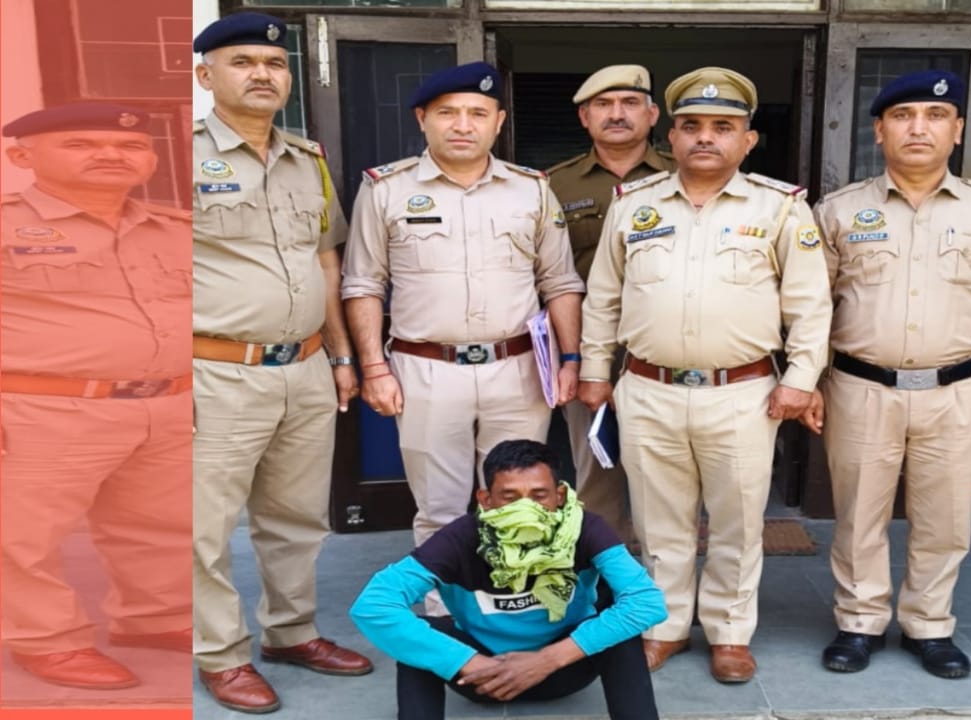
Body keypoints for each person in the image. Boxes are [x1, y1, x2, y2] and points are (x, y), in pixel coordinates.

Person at [578, 67, 832, 683]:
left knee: (738, 523)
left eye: (723, 126)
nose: (706, 137)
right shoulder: (634, 205)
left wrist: (800, 379)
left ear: (748, 140)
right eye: (691, 125)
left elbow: (809, 304)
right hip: (648, 389)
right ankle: (663, 626)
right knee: (658, 522)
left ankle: (729, 633)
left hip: (742, 393)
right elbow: (603, 298)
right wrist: (594, 369)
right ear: (672, 136)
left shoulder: (780, 207)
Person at [811, 69, 971, 679]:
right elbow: (813, 305)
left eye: (935, 116)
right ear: (879, 131)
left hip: (959, 390)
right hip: (860, 387)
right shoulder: (838, 210)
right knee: (859, 515)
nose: (918, 128)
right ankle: (859, 622)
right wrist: (808, 381)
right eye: (902, 116)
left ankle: (929, 626)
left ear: (957, 131)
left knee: (946, 517)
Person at [192, 13, 370, 714]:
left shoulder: (308, 159)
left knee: (296, 517)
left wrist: (341, 354)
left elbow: (325, 261)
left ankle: (291, 633)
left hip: (304, 369)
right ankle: (221, 653)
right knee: (203, 529)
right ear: (206, 75)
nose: (261, 74)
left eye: (273, 63)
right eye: (242, 62)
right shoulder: (175, 156)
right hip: (214, 370)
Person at [342, 62, 584, 552]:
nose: (463, 125)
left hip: (517, 369)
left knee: (521, 504)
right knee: (439, 509)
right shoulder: (386, 188)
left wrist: (571, 359)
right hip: (427, 369)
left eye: (478, 113)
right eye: (447, 112)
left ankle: (515, 595)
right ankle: (444, 596)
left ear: (498, 122)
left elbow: (559, 281)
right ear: (422, 119)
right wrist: (374, 368)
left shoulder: (532, 188)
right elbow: (363, 283)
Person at [0, 103, 192, 690]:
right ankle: (46, 640)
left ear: (152, 160)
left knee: (161, 526)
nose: (111, 155)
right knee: (21, 539)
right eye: (81, 144)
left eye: (130, 146)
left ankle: (155, 619)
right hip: (41, 409)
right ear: (21, 155)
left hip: (165, 405)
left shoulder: (176, 227)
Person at [350, 439, 665, 720]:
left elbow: (647, 602)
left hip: (563, 668)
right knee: (416, 636)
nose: (526, 509)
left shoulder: (586, 528)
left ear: (559, 496)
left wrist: (546, 660)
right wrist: (470, 662)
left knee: (622, 627)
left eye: (539, 496)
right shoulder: (458, 538)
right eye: (510, 497)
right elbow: (373, 605)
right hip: (480, 676)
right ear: (485, 500)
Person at [546, 64, 676, 534]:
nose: (616, 114)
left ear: (653, 115)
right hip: (586, 350)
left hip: (666, 351)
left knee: (668, 478)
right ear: (585, 118)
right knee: (596, 474)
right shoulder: (554, 185)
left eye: (630, 103)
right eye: (603, 105)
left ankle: (659, 573)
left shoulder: (683, 175)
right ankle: (603, 571)